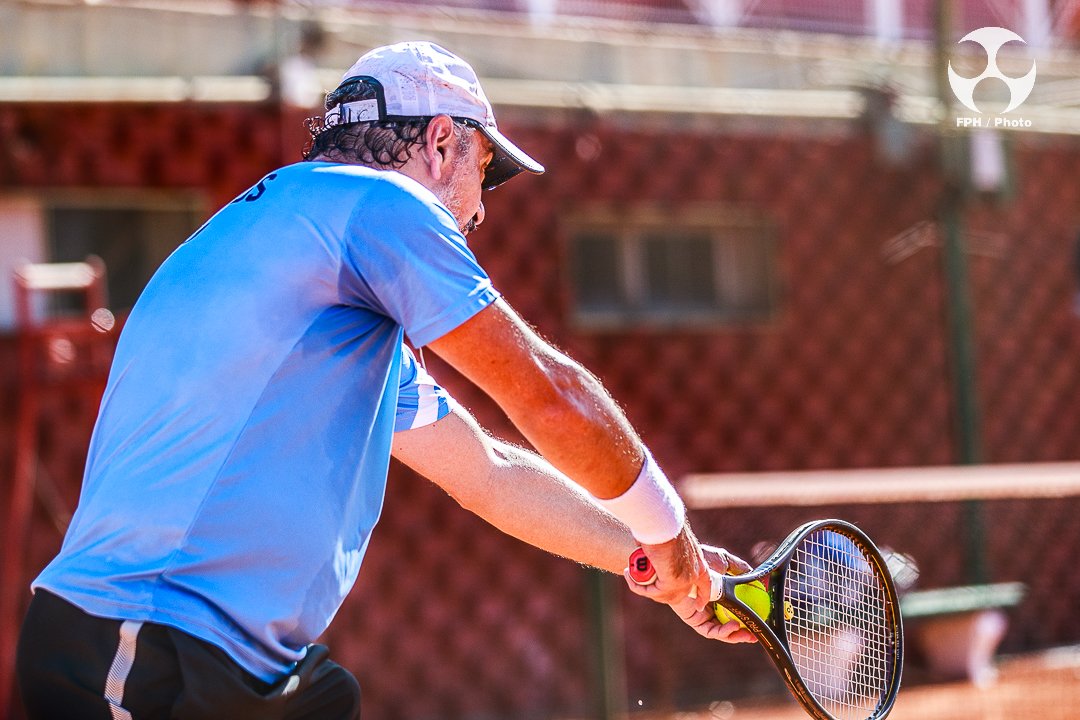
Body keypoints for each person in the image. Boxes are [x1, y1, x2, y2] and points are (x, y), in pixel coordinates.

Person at [16, 41, 753, 720]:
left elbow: (488, 473)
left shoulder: (310, 266)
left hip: (216, 663)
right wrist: (668, 528)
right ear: (438, 142)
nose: (482, 207)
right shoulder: (380, 207)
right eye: (483, 169)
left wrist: (651, 557)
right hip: (145, 646)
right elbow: (546, 393)